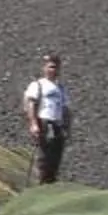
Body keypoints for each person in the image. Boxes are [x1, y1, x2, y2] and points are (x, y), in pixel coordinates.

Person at [23, 53, 72, 184]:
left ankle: (50, 183)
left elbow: (66, 108)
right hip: (44, 122)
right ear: (44, 68)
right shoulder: (38, 85)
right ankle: (40, 183)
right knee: (44, 156)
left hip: (57, 124)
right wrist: (33, 124)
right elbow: (30, 104)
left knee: (55, 157)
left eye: (56, 67)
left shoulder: (61, 88)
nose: (53, 70)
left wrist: (67, 127)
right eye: (51, 67)